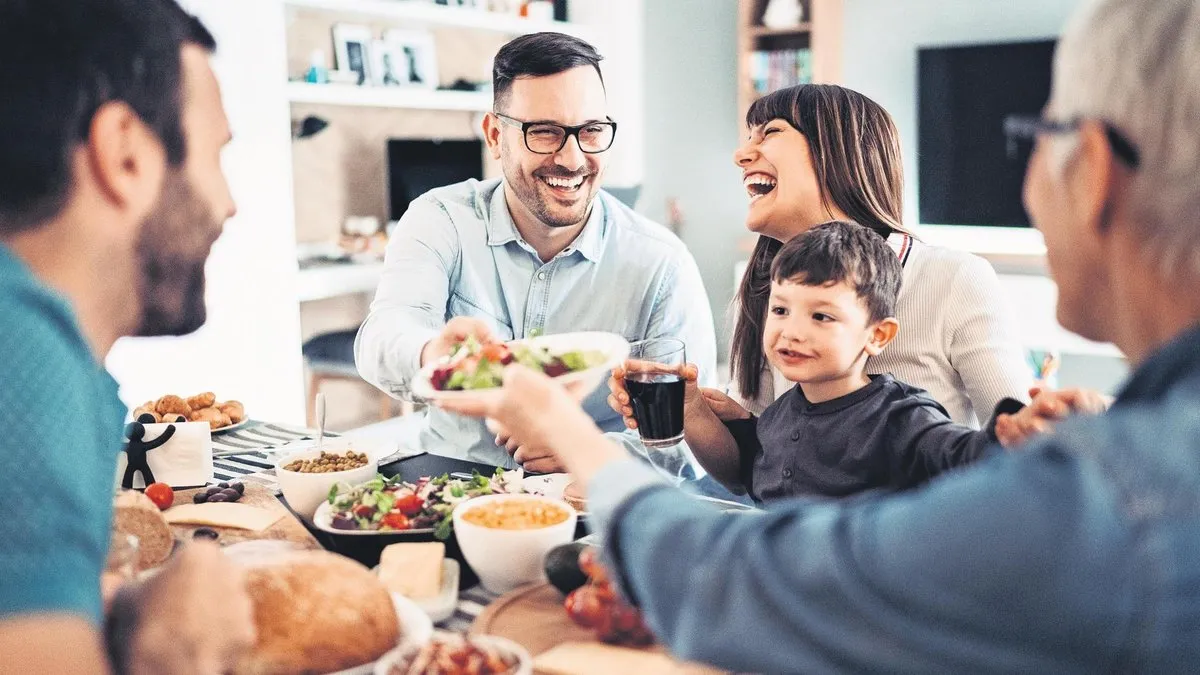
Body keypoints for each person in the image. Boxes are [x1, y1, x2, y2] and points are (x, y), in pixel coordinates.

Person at [439, 0, 1200, 670]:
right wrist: (700, 408)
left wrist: (568, 429)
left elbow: (1005, 434)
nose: (741, 154)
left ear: (1093, 169)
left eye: (1036, 134)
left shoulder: (1104, 489)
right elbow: (767, 461)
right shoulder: (764, 281)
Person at [608, 83, 1037, 482]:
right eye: (747, 138)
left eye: (769, 133)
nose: (741, 154)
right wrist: (695, 410)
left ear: (841, 153)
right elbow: (757, 470)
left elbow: (1023, 451)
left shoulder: (954, 278)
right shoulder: (762, 293)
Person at [0, 1, 254, 672]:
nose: (230, 201)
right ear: (125, 155)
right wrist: (178, 654)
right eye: (216, 154)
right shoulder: (20, 362)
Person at [356, 31, 717, 469]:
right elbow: (382, 337)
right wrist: (437, 355)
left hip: (591, 506)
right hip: (453, 486)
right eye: (544, 133)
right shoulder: (441, 219)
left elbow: (690, 440)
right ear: (494, 135)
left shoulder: (662, 263)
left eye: (591, 130)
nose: (572, 158)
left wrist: (585, 451)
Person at [682, 220, 1015, 503]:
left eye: (822, 316)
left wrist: (1009, 429)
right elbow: (755, 472)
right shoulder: (780, 414)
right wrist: (714, 414)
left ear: (878, 335)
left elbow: (965, 455)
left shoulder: (901, 416)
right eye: (781, 310)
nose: (791, 332)